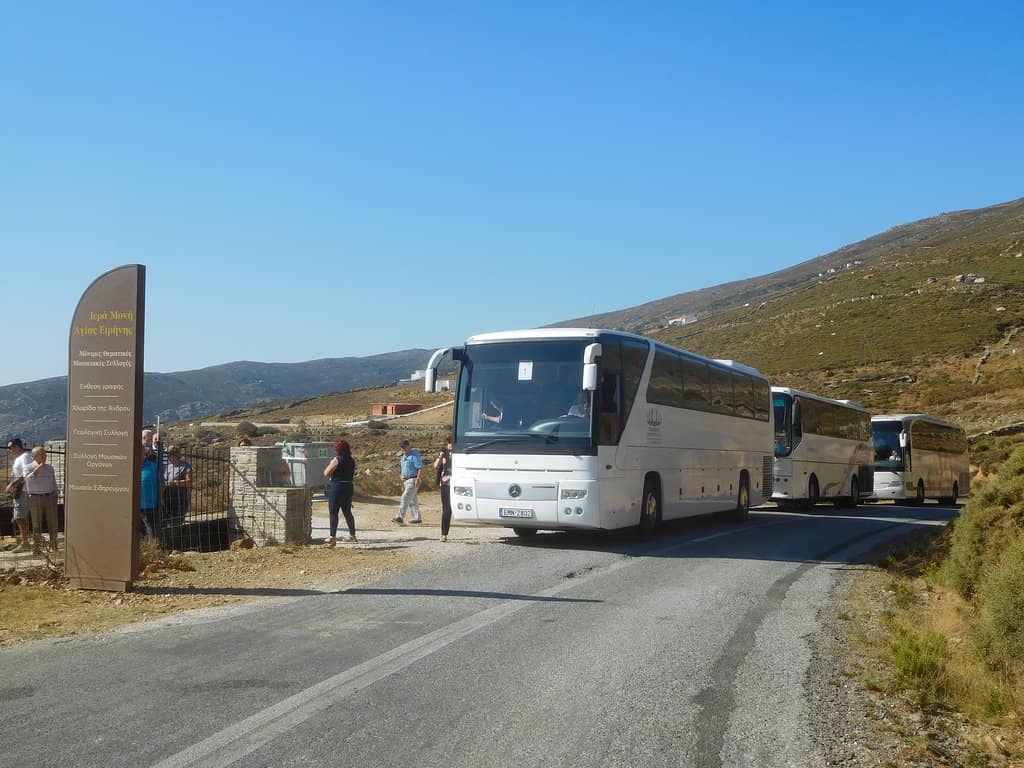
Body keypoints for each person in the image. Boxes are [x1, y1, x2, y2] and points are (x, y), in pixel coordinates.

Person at [24, 446, 59, 553]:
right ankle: (37, 548)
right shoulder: (28, 467)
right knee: (36, 524)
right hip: (35, 498)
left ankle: (54, 546)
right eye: (42, 454)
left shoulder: (50, 468)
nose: (45, 455)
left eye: (45, 453)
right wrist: (38, 468)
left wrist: (56, 494)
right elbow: (28, 480)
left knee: (53, 523)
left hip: (50, 497)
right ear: (35, 456)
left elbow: (53, 482)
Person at [323, 439, 357, 546]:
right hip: (348, 487)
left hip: (337, 486)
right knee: (347, 512)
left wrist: (331, 463)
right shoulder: (351, 460)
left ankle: (332, 536)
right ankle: (353, 535)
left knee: (334, 512)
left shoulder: (337, 460)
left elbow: (326, 473)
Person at [5, 438, 32, 552]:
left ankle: (25, 542)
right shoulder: (19, 458)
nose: (9, 450)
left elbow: (27, 472)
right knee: (19, 517)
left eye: (10, 447)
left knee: (20, 517)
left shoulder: (25, 456)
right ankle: (25, 540)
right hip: (19, 491)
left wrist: (12, 484)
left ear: (17, 446)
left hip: (23, 490)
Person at [162, 446, 193, 543]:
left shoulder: (186, 466)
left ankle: (176, 542)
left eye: (169, 455)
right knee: (167, 520)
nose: (167, 457)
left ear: (175, 456)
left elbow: (189, 482)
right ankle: (169, 542)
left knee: (176, 521)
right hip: (168, 497)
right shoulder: (168, 467)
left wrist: (175, 483)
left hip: (180, 499)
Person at [394, 439, 423, 524]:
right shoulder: (403, 457)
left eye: (404, 447)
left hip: (413, 480)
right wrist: (401, 475)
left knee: (405, 497)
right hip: (406, 481)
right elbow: (403, 469)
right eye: (401, 447)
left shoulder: (414, 455)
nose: (403, 449)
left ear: (409, 446)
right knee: (412, 500)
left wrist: (418, 479)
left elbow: (420, 468)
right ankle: (417, 518)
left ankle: (399, 517)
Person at [434, 439, 453, 542]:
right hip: (445, 484)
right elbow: (435, 466)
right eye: (449, 442)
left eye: (452, 442)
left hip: (457, 483)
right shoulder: (443, 454)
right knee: (446, 509)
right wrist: (440, 456)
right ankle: (444, 534)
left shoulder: (460, 453)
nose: (450, 444)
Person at [140, 450, 159, 538]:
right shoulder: (129, 465)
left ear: (144, 454)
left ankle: (152, 549)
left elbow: (161, 484)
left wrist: (159, 498)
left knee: (150, 530)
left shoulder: (154, 467)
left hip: (150, 505)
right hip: (133, 506)